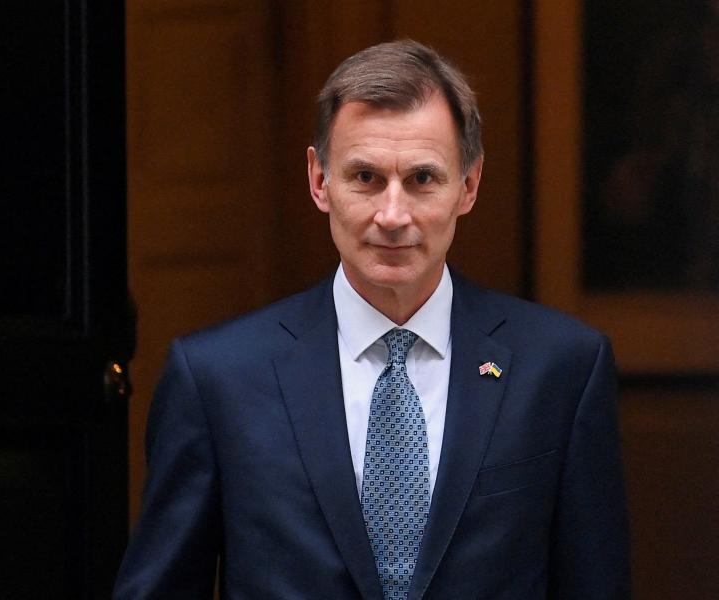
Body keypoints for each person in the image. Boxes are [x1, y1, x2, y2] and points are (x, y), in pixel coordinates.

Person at [115, 39, 630, 599]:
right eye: (364, 177)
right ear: (320, 181)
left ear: (470, 184)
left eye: (422, 179)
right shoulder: (217, 378)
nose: (392, 214)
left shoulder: (561, 368)